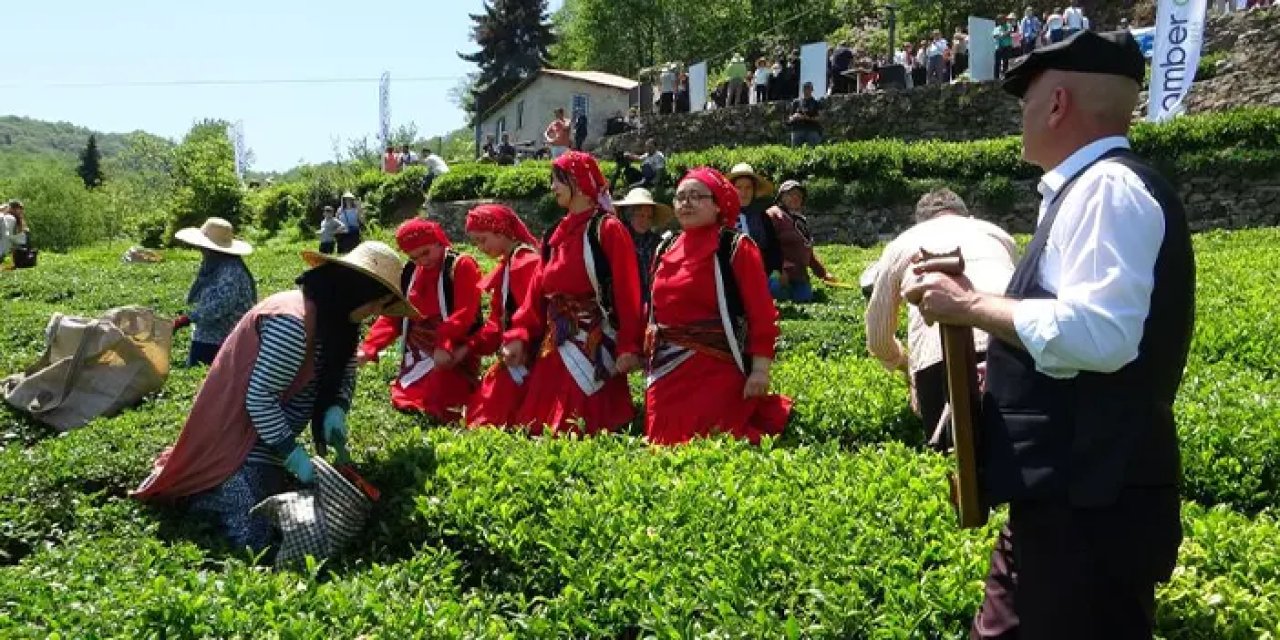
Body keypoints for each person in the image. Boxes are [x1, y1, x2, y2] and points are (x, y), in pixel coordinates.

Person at [902, 31, 1194, 638]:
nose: (1022, 116)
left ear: (1058, 102)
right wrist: (1009, 364)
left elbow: (1103, 336)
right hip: (1072, 501)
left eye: (1026, 100)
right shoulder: (1089, 190)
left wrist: (971, 305)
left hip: (1088, 508)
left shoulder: (1106, 190)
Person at [132, 241, 417, 553]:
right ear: (357, 291)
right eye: (376, 304)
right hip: (235, 441)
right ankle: (204, 492)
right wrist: (293, 455)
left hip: (267, 443)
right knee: (256, 534)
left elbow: (345, 371)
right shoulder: (292, 323)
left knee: (291, 504)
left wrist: (337, 408)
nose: (375, 314)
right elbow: (260, 399)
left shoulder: (337, 322)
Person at [499, 151, 644, 435]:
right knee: (537, 426)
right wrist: (519, 335)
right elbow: (535, 293)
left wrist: (629, 346)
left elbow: (628, 292)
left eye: (558, 181)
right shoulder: (555, 234)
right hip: (555, 340)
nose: (552, 187)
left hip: (592, 339)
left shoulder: (607, 229)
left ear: (578, 182)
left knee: (579, 426)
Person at [644, 167, 791, 445]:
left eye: (696, 196)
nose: (686, 203)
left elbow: (761, 313)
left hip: (714, 370)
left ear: (717, 204)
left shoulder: (734, 247)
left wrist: (760, 370)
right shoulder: (665, 247)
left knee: (709, 443)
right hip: (665, 373)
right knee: (661, 446)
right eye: (680, 197)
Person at [864, 188, 1016, 448]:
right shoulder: (997, 234)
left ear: (920, 221)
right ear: (967, 215)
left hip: (938, 359)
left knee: (953, 464)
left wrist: (903, 363)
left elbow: (878, 339)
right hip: (1011, 344)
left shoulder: (903, 243)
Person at [358, 219, 482, 423]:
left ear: (438, 241)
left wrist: (445, 344)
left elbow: (465, 314)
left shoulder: (460, 265)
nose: (422, 261)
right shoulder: (409, 271)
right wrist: (370, 347)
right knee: (409, 398)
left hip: (455, 343)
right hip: (418, 346)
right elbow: (395, 316)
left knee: (441, 398)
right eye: (414, 257)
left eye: (426, 252)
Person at [462, 205, 543, 428]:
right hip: (516, 350)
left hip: (531, 351)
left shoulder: (525, 263)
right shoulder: (509, 264)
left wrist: (518, 337)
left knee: (490, 414)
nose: (480, 247)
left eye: (483, 240)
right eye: (476, 242)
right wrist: (471, 345)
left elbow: (533, 311)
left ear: (501, 232)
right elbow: (497, 319)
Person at [173, 218, 259, 367]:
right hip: (207, 336)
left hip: (222, 340)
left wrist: (188, 318)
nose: (201, 249)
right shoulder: (214, 265)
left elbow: (220, 306)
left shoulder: (231, 272)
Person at [766, 181, 837, 303]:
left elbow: (808, 252)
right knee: (777, 290)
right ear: (781, 197)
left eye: (799, 195)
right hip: (778, 273)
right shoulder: (773, 215)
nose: (795, 197)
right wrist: (779, 269)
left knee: (805, 298)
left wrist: (823, 274)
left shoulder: (800, 221)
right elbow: (767, 246)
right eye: (790, 194)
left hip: (798, 275)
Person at [613, 187, 674, 306]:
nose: (644, 220)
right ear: (628, 214)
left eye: (649, 217)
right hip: (621, 301)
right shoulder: (617, 238)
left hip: (649, 302)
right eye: (640, 215)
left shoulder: (657, 242)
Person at [726, 163, 782, 279]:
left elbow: (773, 246)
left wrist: (776, 269)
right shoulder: (723, 217)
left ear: (754, 190)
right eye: (739, 188)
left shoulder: (762, 216)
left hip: (760, 273)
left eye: (748, 187)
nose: (744, 192)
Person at [994, 14, 1017, 79]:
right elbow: (995, 36)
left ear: (1004, 20)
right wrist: (1004, 34)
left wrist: (1002, 34)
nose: (999, 21)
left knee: (1005, 62)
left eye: (1001, 19)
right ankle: (996, 78)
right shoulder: (997, 28)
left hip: (1007, 46)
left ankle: (1005, 77)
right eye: (998, 20)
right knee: (997, 63)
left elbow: (1010, 31)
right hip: (998, 47)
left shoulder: (1009, 25)